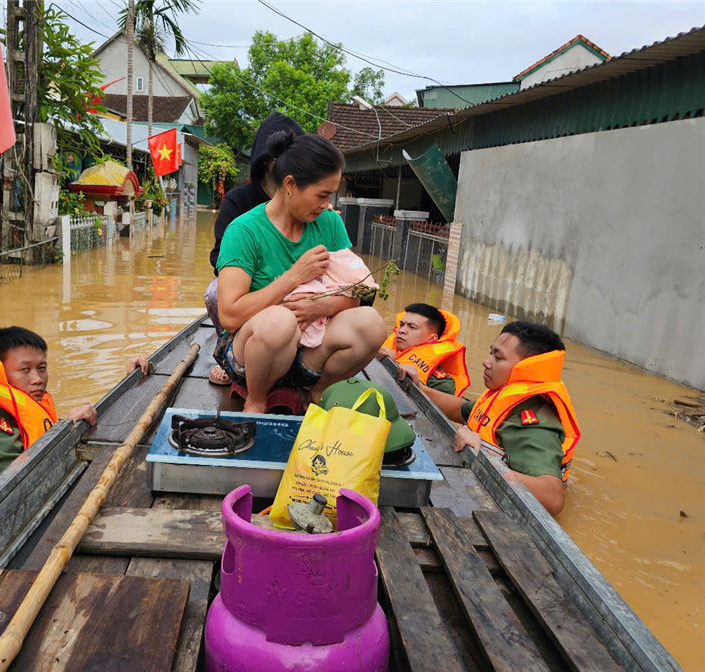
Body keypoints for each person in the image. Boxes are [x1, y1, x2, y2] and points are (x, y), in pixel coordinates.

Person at [215, 130, 387, 414]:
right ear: (291, 184)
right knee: (279, 322)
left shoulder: (330, 224)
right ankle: (257, 399)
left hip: (309, 352)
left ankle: (317, 393)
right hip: (253, 354)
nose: (327, 205)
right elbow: (230, 316)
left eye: (330, 195)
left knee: (372, 323)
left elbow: (356, 295)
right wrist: (294, 276)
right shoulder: (244, 231)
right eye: (322, 195)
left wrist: (321, 306)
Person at [402, 321, 579, 516]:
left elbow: (552, 498)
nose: (486, 362)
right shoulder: (504, 399)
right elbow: (461, 408)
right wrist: (419, 386)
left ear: (527, 368)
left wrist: (484, 459)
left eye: (498, 357)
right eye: (490, 353)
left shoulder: (532, 425)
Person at [204, 112, 306, 386]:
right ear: (270, 160)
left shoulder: (307, 204)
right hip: (248, 286)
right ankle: (231, 351)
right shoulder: (239, 201)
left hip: (298, 284)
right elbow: (218, 256)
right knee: (215, 293)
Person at [0, 327, 97, 491]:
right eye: (25, 369)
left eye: (41, 368)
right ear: (0, 374)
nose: (37, 379)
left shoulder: (22, 412)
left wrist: (74, 424)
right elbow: (20, 490)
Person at [378, 303, 470, 395]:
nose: (401, 330)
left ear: (431, 339)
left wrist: (414, 383)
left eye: (412, 327)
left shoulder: (440, 384)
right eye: (401, 324)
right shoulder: (381, 350)